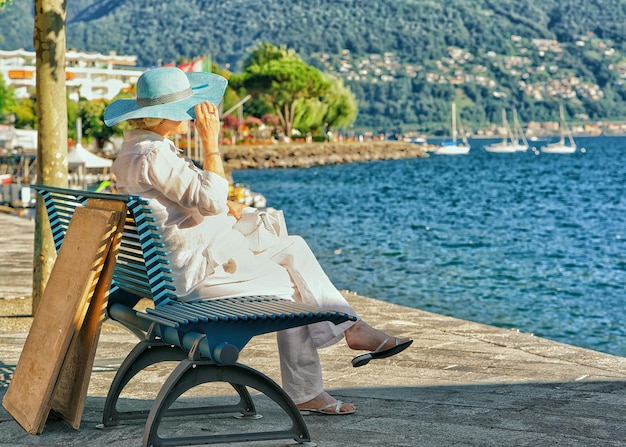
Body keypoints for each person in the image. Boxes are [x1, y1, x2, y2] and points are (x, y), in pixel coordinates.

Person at [104, 67, 412, 415]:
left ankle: (352, 330)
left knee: (292, 247)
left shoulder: (133, 153)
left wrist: (227, 208)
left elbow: (183, 203)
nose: (192, 113)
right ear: (166, 115)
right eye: (186, 107)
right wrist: (211, 144)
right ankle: (322, 369)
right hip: (194, 280)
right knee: (299, 288)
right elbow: (210, 201)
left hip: (165, 272)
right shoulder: (154, 155)